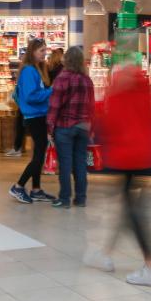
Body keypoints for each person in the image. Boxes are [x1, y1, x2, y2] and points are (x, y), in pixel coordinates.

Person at [88, 58, 151, 286]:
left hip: (125, 157)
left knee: (134, 212)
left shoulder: (117, 90)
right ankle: (105, 254)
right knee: (128, 206)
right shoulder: (144, 87)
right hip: (146, 156)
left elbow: (111, 123)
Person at [46, 47, 95, 209]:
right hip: (83, 126)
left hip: (65, 126)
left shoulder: (62, 79)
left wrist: (50, 127)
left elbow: (54, 106)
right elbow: (92, 106)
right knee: (80, 163)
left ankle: (64, 199)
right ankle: (81, 198)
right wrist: (91, 127)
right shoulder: (87, 80)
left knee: (65, 164)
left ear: (66, 60)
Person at [9, 39, 56, 204]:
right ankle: (19, 185)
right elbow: (31, 96)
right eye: (41, 50)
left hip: (37, 115)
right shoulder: (29, 71)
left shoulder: (34, 69)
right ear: (33, 52)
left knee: (39, 153)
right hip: (34, 116)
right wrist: (51, 92)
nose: (45, 53)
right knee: (39, 156)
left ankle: (36, 189)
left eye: (45, 50)